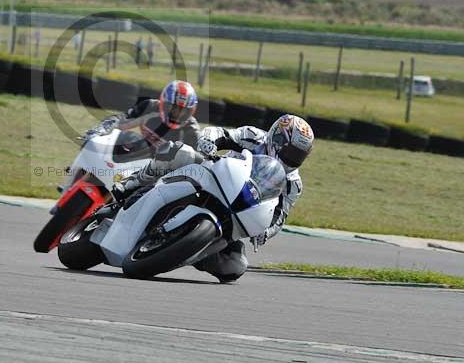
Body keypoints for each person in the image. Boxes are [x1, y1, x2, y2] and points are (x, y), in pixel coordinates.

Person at [114, 114, 314, 283]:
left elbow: (280, 215)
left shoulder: (292, 183)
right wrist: (209, 141)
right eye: (291, 152)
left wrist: (266, 232)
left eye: (299, 156)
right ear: (277, 139)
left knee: (235, 267)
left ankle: (191, 252)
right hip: (215, 176)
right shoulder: (253, 137)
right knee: (179, 152)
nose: (293, 160)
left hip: (237, 212)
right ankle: (133, 182)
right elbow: (221, 133)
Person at [83, 80, 201, 154]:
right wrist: (100, 130)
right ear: (164, 102)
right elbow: (121, 120)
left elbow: (199, 161)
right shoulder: (150, 107)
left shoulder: (191, 130)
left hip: (166, 173)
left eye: (183, 111)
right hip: (139, 158)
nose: (178, 114)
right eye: (174, 108)